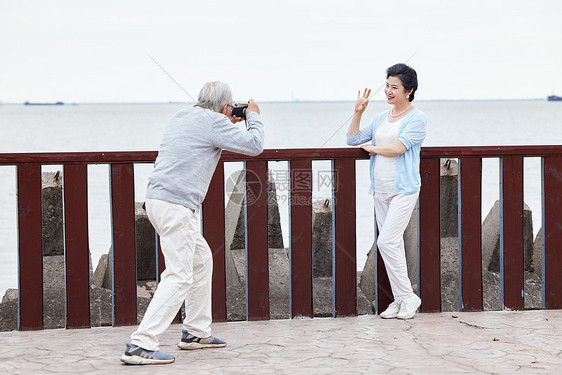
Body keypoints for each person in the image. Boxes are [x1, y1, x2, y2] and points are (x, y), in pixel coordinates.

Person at [120, 81, 264, 365]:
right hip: (176, 207)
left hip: (158, 201)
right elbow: (255, 146)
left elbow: (207, 131)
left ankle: (196, 332)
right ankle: (141, 343)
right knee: (179, 275)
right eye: (230, 108)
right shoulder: (214, 122)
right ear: (225, 107)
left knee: (201, 260)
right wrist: (253, 116)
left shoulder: (182, 116)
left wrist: (226, 119)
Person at [346, 63, 427, 320]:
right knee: (391, 245)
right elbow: (352, 139)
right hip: (379, 189)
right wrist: (358, 112)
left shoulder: (417, 118)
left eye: (395, 87)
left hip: (404, 189)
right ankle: (402, 299)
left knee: (387, 241)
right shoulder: (381, 118)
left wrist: (374, 149)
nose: (389, 91)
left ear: (409, 90)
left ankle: (408, 298)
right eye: (387, 86)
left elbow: (398, 148)